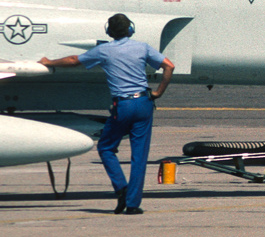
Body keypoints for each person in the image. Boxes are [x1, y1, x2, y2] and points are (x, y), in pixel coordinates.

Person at [41, 13, 173, 215]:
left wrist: (48, 62)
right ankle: (133, 203)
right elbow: (169, 66)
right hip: (144, 103)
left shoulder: (104, 50)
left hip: (123, 106)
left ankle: (121, 187)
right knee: (139, 155)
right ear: (131, 29)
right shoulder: (142, 47)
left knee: (106, 147)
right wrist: (158, 92)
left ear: (109, 31)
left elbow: (74, 60)